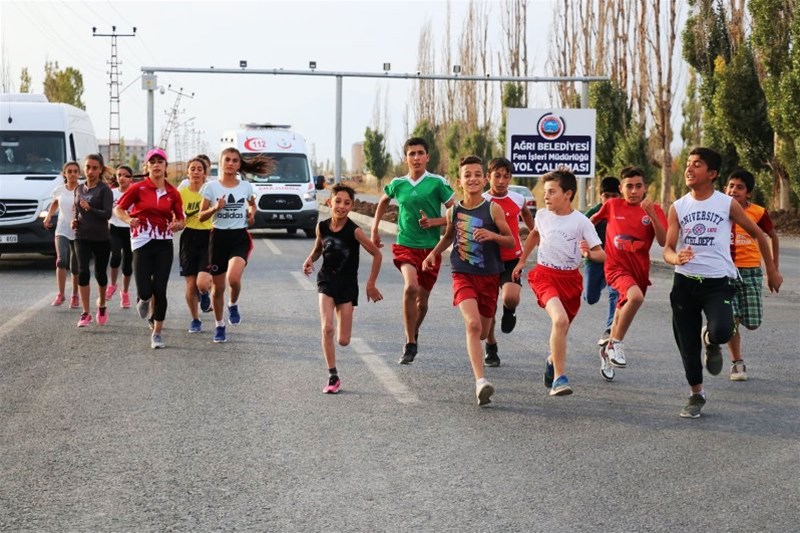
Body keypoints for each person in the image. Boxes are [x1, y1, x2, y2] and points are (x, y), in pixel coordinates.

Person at [663, 148, 782, 418]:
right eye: (689, 164)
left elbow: (759, 235)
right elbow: (668, 248)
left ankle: (712, 338)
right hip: (684, 284)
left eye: (697, 165)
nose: (689, 169)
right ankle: (696, 394)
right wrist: (675, 257)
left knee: (723, 330)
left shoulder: (726, 204)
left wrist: (772, 270)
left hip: (717, 283)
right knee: (687, 344)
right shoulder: (678, 207)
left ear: (712, 174)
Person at [422, 156, 514, 406]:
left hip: (489, 276)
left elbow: (511, 241)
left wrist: (492, 235)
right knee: (473, 325)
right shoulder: (454, 211)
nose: (472, 179)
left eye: (477, 174)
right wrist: (433, 253)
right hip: (462, 273)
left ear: (484, 179)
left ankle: (485, 351)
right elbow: (449, 237)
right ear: (458, 181)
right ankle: (480, 382)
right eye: (467, 175)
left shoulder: (492, 209)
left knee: (483, 331)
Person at [512, 168, 604, 396]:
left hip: (571, 281)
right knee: (560, 320)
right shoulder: (542, 216)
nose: (546, 196)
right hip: (545, 276)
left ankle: (552, 361)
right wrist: (522, 261)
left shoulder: (581, 222)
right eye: (545, 192)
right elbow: (535, 234)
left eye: (552, 192)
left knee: (561, 329)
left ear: (568, 194)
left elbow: (601, 254)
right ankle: (559, 379)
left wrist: (588, 254)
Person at [370, 136, 455, 364]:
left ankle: (413, 333)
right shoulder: (399, 183)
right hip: (405, 245)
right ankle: (409, 342)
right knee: (411, 287)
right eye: (411, 154)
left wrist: (436, 223)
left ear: (427, 157)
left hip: (431, 250)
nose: (416, 158)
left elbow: (456, 213)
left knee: (422, 303)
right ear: (406, 158)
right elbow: (383, 201)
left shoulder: (437, 183)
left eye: (420, 153)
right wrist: (375, 228)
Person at [303, 183, 384, 393]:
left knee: (344, 340)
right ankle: (333, 375)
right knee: (327, 328)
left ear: (351, 206)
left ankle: (341, 326)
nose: (341, 206)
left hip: (347, 284)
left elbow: (377, 254)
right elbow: (319, 249)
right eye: (337, 201)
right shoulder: (321, 227)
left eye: (346, 203)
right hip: (326, 280)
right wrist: (310, 260)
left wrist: (371, 283)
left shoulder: (354, 231)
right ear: (329, 202)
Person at [590, 167, 667, 381]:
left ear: (645, 187)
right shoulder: (612, 205)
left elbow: (663, 240)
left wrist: (651, 215)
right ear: (621, 188)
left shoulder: (655, 210)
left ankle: (606, 352)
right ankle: (615, 344)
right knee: (635, 298)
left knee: (620, 310)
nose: (634, 191)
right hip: (615, 267)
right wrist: (584, 244)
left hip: (639, 272)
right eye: (629, 186)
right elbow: (591, 221)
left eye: (638, 186)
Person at [199, 147, 273, 343]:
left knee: (233, 278)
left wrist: (251, 213)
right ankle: (219, 325)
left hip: (239, 236)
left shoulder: (246, 187)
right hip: (218, 238)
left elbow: (251, 204)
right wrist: (216, 207)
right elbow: (201, 215)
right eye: (227, 160)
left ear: (239, 165)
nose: (231, 163)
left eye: (235, 160)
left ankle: (233, 303)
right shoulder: (211, 188)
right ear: (220, 162)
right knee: (218, 288)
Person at [115, 148, 185, 349]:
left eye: (160, 161)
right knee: (145, 289)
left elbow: (181, 219)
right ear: (147, 166)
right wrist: (129, 219)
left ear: (165, 167)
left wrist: (178, 224)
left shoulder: (173, 192)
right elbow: (118, 209)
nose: (156, 164)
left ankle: (157, 332)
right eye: (152, 161)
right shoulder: (138, 188)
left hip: (163, 241)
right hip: (141, 240)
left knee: (160, 289)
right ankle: (144, 299)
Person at [724, 168, 780, 381]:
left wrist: (773, 270)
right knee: (731, 318)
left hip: (751, 272)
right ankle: (737, 363)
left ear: (748, 193)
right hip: (725, 271)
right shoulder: (720, 209)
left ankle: (714, 330)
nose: (734, 190)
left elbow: (772, 237)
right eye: (730, 186)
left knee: (753, 322)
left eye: (740, 187)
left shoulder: (757, 212)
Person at [481, 157, 535, 367]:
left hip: (512, 258)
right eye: (497, 176)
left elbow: (528, 218)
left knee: (511, 297)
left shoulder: (517, 199)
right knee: (488, 309)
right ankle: (491, 346)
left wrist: (534, 234)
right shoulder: (482, 200)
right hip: (488, 260)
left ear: (510, 178)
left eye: (506, 176)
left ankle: (509, 310)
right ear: (488, 177)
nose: (501, 181)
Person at [72, 154, 114, 328]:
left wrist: (91, 209)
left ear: (100, 170)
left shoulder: (105, 190)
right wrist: (73, 220)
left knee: (100, 274)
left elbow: (107, 214)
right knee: (83, 272)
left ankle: (102, 305)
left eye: (95, 168)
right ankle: (85, 312)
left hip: (101, 237)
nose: (91, 171)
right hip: (81, 236)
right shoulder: (79, 188)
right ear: (84, 168)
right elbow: (76, 208)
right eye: (88, 167)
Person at [583, 176, 621, 346]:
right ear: (600, 196)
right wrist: (586, 252)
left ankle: (609, 329)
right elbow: (580, 236)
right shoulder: (593, 214)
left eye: (614, 195)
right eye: (606, 195)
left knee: (615, 293)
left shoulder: (623, 212)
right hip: (595, 260)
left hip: (616, 262)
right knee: (591, 297)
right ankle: (598, 284)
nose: (610, 200)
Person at [178, 157, 214, 332]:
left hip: (209, 237)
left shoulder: (212, 191)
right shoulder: (181, 194)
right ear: (188, 172)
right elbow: (176, 217)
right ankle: (195, 319)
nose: (196, 172)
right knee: (190, 284)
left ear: (205, 173)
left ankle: (205, 293)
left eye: (200, 169)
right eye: (193, 169)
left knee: (201, 282)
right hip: (189, 238)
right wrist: (176, 223)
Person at [44, 161, 81, 308]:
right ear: (64, 174)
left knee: (75, 266)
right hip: (62, 229)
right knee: (61, 261)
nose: (72, 174)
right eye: (69, 171)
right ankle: (61, 294)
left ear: (79, 173)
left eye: (75, 171)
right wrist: (48, 216)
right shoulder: (59, 190)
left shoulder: (83, 189)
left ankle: (75, 295)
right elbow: (55, 202)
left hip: (79, 230)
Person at [107, 165, 134, 309]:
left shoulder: (134, 193)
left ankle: (124, 292)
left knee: (128, 263)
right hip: (115, 228)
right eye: (119, 175)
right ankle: (112, 285)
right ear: (116, 178)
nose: (122, 178)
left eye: (125, 175)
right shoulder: (111, 193)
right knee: (115, 256)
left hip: (130, 230)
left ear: (131, 178)